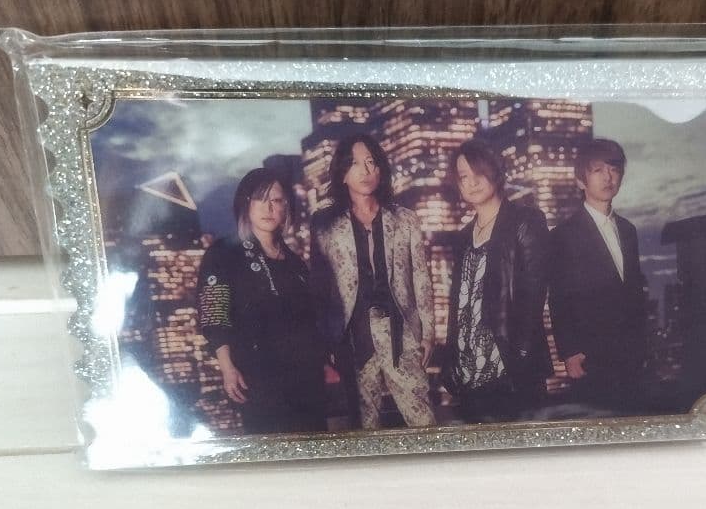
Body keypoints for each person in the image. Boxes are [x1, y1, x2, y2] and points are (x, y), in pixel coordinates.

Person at [310, 133, 437, 430]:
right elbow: (320, 286)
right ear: (342, 173)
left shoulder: (405, 219)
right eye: (355, 164)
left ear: (380, 169)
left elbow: (421, 277)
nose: (365, 171)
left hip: (401, 333)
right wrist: (327, 340)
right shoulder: (325, 224)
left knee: (423, 421)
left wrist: (428, 333)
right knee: (365, 426)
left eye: (371, 162)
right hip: (353, 338)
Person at [196, 167, 326, 434]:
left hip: (307, 380)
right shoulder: (223, 253)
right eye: (260, 199)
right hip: (258, 378)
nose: (269, 208)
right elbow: (213, 314)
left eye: (276, 200)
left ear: (286, 207)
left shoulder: (295, 263)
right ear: (246, 203)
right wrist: (227, 367)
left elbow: (313, 319)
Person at [443, 138, 552, 422]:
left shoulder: (525, 221)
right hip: (468, 367)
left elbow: (534, 294)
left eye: (478, 172)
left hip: (510, 365)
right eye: (463, 177)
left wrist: (522, 354)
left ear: (495, 171)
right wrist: (450, 360)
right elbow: (460, 302)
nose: (472, 182)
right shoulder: (463, 236)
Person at [549, 138, 648, 414]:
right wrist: (570, 351)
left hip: (631, 355)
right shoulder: (563, 235)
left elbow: (634, 293)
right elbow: (558, 298)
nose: (608, 177)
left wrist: (643, 347)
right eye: (597, 170)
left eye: (614, 169)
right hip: (590, 355)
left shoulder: (628, 230)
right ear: (580, 180)